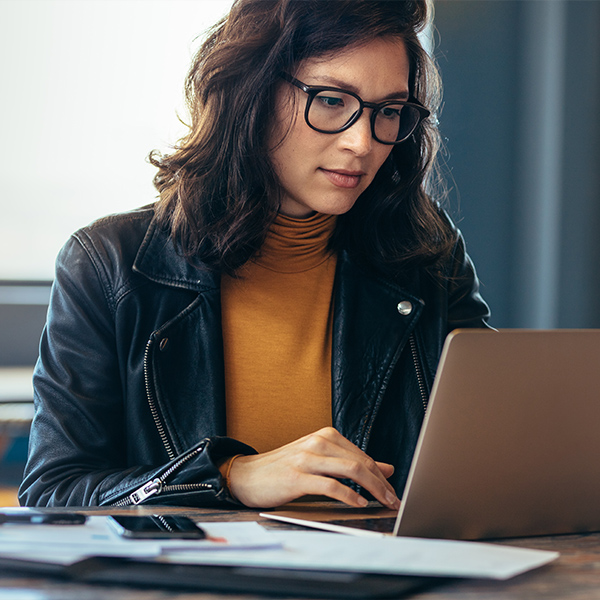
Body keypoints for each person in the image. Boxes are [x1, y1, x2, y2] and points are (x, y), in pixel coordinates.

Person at [19, 0, 490, 510]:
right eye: (332, 100)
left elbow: (495, 452)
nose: (363, 142)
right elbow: (54, 493)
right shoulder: (108, 264)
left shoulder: (425, 256)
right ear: (252, 92)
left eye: (389, 112)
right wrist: (230, 476)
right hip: (194, 586)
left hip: (384, 580)